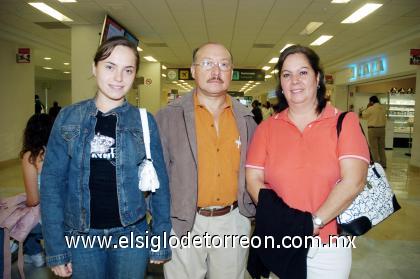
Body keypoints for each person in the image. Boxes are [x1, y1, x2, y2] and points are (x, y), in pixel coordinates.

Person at [40, 36, 171, 279]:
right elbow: (51, 186)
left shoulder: (143, 122)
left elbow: (159, 187)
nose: (119, 78)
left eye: (128, 70)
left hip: (131, 234)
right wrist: (56, 249)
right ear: (94, 68)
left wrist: (161, 238)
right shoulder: (69, 118)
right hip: (81, 236)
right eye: (110, 67)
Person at [246, 45, 369, 278]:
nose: (295, 81)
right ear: (280, 83)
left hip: (328, 246)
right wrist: (287, 224)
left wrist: (313, 223)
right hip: (280, 239)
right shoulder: (267, 128)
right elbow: (253, 180)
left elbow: (354, 181)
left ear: (318, 78)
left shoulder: (344, 122)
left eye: (303, 72)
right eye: (286, 74)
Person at [156, 42, 257, 279]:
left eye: (223, 65)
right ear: (193, 70)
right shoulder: (168, 117)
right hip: (184, 223)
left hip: (233, 221)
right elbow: (154, 177)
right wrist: (164, 222)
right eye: (207, 63)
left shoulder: (246, 119)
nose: (216, 72)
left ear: (231, 72)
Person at [20, 113, 53, 267]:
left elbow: (33, 200)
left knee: (10, 219)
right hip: (70, 214)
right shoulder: (61, 151)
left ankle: (34, 252)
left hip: (48, 219)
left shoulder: (31, 156)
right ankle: (33, 251)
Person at [361, 96, 387, 167]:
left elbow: (363, 115)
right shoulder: (383, 108)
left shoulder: (371, 108)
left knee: (374, 148)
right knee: (381, 147)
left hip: (373, 129)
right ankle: (384, 164)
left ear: (371, 102)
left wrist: (367, 107)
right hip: (382, 129)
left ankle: (376, 164)